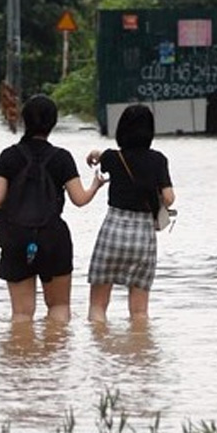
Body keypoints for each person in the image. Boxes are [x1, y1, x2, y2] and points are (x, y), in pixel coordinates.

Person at [0, 94, 105, 323]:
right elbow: (79, 199)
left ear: (24, 121)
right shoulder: (62, 158)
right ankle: (56, 359)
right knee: (59, 308)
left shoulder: (9, 156)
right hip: (53, 237)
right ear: (53, 123)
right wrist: (95, 186)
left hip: (15, 236)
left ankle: (21, 354)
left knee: (21, 314)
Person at [84, 104, 175, 323]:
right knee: (140, 312)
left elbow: (101, 156)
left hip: (113, 231)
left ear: (122, 130)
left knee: (97, 307)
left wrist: (95, 154)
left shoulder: (114, 158)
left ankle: (97, 354)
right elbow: (170, 198)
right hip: (143, 237)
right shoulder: (158, 160)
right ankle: (139, 350)